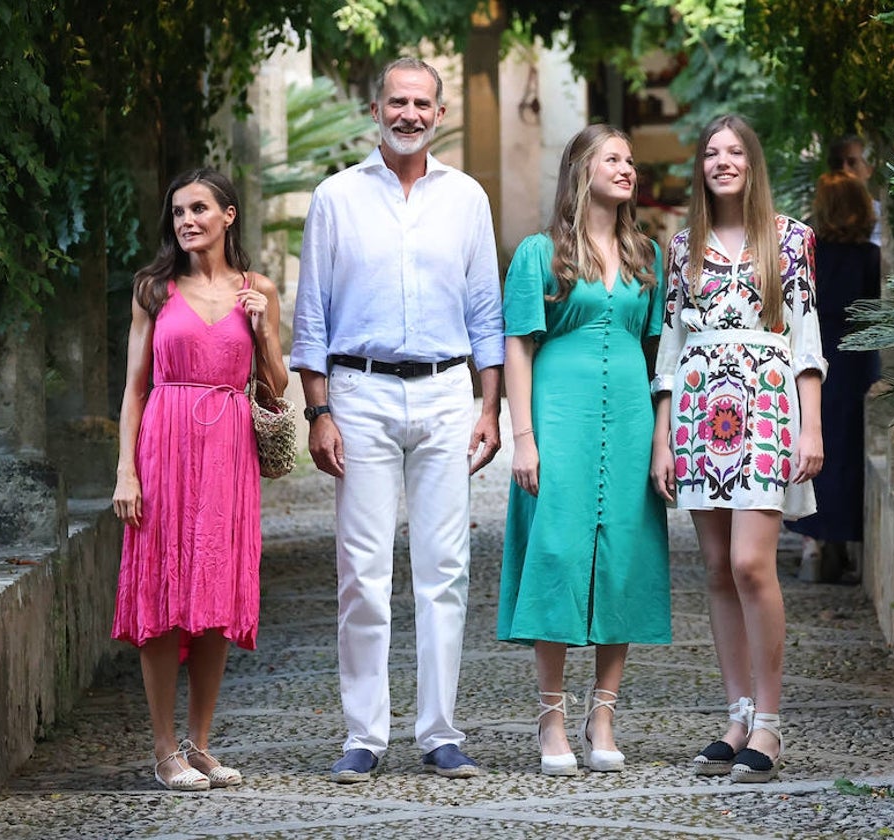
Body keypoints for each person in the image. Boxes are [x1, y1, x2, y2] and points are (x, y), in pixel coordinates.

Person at [291, 56, 504, 784]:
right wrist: (318, 412)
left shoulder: (468, 198)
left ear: (438, 115)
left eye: (422, 103)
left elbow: (486, 310)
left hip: (447, 392)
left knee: (446, 568)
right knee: (362, 570)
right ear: (375, 109)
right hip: (362, 392)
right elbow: (311, 315)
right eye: (397, 102)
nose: (409, 113)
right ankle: (365, 735)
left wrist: (490, 404)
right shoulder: (335, 198)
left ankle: (441, 732)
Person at [649, 114, 826, 784]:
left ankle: (772, 725)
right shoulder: (683, 246)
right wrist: (663, 437)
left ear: (752, 162)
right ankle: (737, 713)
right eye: (711, 153)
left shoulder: (792, 239)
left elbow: (806, 337)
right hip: (698, 413)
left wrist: (812, 426)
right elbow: (668, 346)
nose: (722, 161)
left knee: (754, 563)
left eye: (734, 152)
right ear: (700, 166)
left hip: (766, 409)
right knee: (718, 567)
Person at [498, 125, 672, 777]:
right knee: (558, 553)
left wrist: (663, 439)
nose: (627, 168)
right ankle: (551, 718)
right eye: (613, 159)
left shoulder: (645, 256)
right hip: (560, 416)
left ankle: (603, 714)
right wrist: (524, 437)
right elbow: (518, 345)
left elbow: (662, 357)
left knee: (622, 554)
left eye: (631, 160)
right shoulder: (538, 254)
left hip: (628, 418)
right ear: (581, 169)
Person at [112, 168, 289, 791]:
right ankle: (163, 749)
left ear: (228, 216)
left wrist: (264, 324)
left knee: (215, 598)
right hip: (164, 443)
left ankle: (199, 743)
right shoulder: (154, 290)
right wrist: (126, 471)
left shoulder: (257, 288)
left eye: (199, 209)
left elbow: (275, 389)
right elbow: (135, 390)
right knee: (162, 596)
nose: (186, 220)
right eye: (178, 211)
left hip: (229, 449)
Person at [786, 171, 881, 583]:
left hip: (812, 355)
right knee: (846, 447)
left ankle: (812, 542)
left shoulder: (811, 255)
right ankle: (842, 542)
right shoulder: (870, 259)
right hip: (856, 358)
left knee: (809, 439)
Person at [827, 135, 880, 246]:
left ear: (869, 169)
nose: (844, 170)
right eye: (838, 163)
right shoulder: (821, 218)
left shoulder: (884, 218)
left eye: (852, 162)